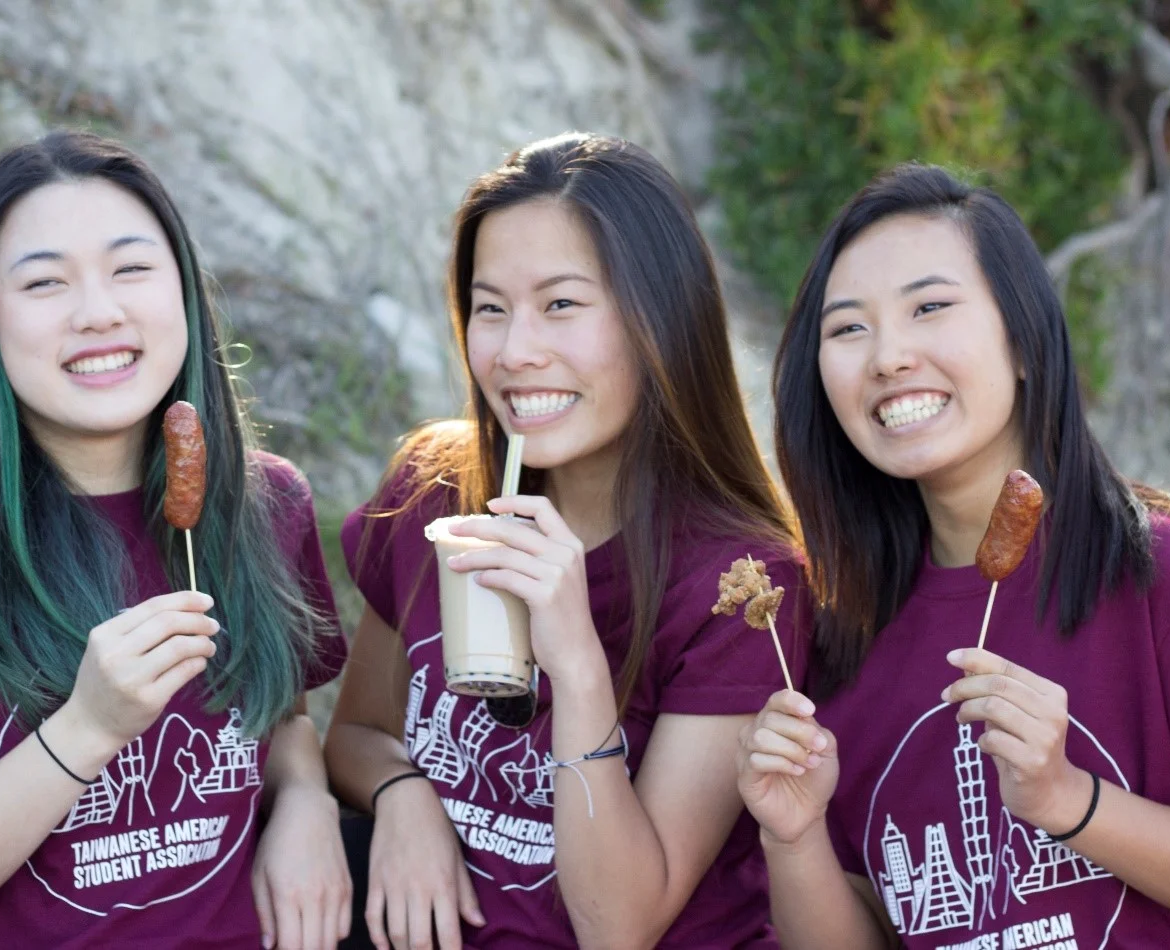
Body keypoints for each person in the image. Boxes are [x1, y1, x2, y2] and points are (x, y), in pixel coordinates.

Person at [0, 130, 352, 949]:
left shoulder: (267, 506)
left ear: (185, 291)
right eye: (44, 282)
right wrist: (87, 728)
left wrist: (304, 798)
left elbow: (281, 717)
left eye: (131, 269)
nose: (98, 313)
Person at [324, 132, 808, 950]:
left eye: (561, 305)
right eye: (490, 309)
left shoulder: (741, 585)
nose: (516, 353)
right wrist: (402, 794)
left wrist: (578, 665)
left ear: (660, 318)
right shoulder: (436, 492)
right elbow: (356, 735)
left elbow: (620, 925)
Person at [738, 163, 1170, 948]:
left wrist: (1069, 801)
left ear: (1023, 340)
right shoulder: (835, 634)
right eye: (848, 328)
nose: (889, 356)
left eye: (929, 308)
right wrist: (792, 837)